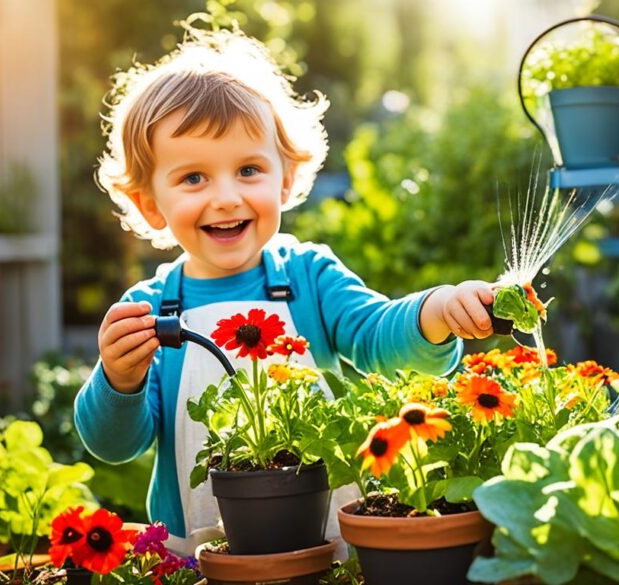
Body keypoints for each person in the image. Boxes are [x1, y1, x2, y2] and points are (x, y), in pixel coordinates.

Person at [73, 28, 496, 554]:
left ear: (285, 179)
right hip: (203, 555)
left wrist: (435, 312)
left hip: (326, 544)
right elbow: (113, 445)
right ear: (150, 203)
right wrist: (119, 378)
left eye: (248, 170)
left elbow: (378, 337)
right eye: (193, 179)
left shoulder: (306, 276)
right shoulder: (150, 309)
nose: (226, 198)